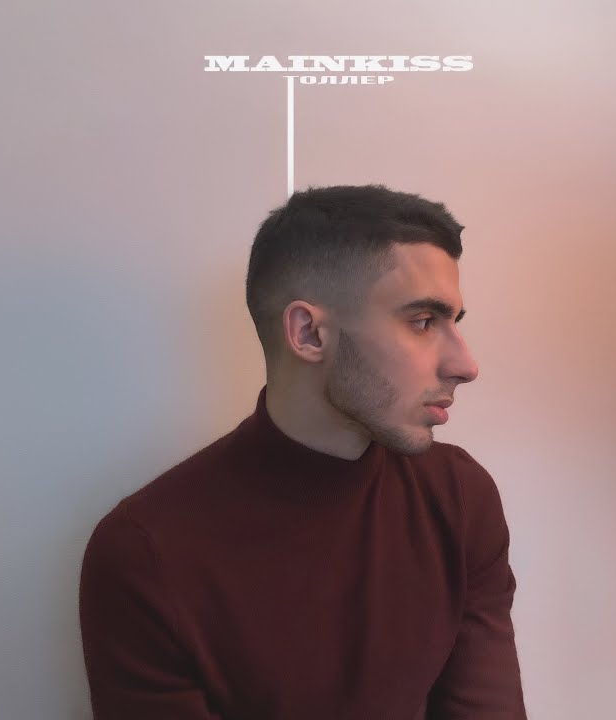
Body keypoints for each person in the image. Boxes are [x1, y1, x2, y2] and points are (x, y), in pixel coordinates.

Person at [79, 184, 526, 719]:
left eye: (454, 322)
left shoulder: (458, 498)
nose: (465, 365)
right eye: (423, 322)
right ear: (309, 333)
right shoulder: (146, 553)